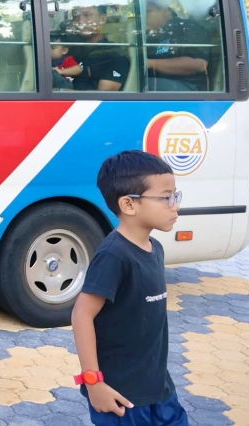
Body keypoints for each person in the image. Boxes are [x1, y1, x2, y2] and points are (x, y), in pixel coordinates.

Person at [71, 150, 188, 426]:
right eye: (166, 197)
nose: (175, 205)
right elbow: (81, 314)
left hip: (158, 388)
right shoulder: (114, 255)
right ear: (129, 204)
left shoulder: (155, 248)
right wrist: (93, 382)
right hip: (121, 397)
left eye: (176, 196)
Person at [143, 0, 210, 91]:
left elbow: (199, 64)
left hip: (187, 87)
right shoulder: (151, 35)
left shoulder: (186, 28)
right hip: (157, 84)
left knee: (139, 87)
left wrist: (150, 63)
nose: (143, 16)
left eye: (147, 11)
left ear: (164, 11)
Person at [67, 5, 130, 92]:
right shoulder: (70, 50)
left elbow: (102, 96)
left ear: (103, 19)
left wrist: (60, 91)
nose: (80, 21)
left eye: (87, 15)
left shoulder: (113, 54)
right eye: (76, 16)